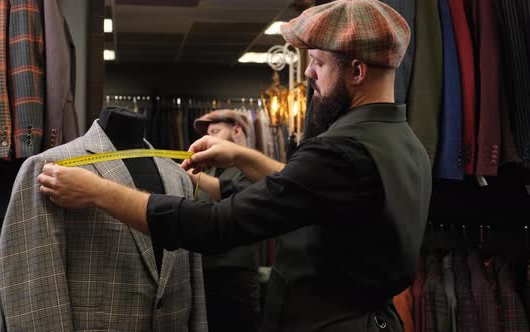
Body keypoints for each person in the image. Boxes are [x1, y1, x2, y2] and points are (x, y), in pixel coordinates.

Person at [37, 1, 432, 330]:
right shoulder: (403, 141)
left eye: (319, 63)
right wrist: (243, 156)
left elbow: (217, 225)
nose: (309, 74)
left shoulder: (341, 151)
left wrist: (97, 191)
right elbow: (311, 193)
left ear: (357, 71)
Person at [189, 109, 261, 332]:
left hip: (235, 274)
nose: (207, 139)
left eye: (215, 131)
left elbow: (237, 196)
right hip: (203, 271)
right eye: (206, 135)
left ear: (236, 131)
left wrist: (193, 176)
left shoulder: (251, 166)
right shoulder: (208, 169)